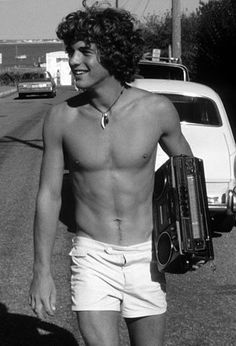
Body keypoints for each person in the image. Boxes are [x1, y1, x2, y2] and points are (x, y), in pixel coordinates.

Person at [29, 6, 193, 346]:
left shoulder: (156, 110)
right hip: (92, 257)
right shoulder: (61, 119)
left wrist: (189, 240)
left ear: (112, 55)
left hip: (146, 256)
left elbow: (188, 174)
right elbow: (49, 195)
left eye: (84, 51)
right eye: (70, 51)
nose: (73, 60)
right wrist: (41, 271)